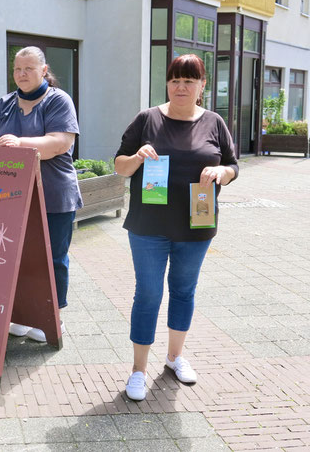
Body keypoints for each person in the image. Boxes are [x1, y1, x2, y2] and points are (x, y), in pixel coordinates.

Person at [114, 54, 238, 401]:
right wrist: (138, 157)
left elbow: (232, 165)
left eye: (189, 80)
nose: (180, 87)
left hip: (196, 226)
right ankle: (138, 370)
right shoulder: (147, 119)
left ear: (202, 86)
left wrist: (221, 173)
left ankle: (174, 358)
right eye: (174, 80)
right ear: (167, 84)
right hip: (148, 226)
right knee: (149, 294)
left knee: (184, 292)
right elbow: (120, 166)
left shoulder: (214, 122)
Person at [0, 46, 83, 343]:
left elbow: (59, 143)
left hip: (53, 195)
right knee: (14, 257)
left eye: (29, 69)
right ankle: (21, 313)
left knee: (52, 259)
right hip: (10, 196)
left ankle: (51, 316)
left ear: (44, 70)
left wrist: (17, 143)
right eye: (17, 69)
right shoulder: (5, 103)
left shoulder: (59, 101)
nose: (21, 75)